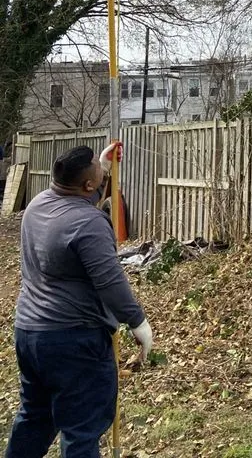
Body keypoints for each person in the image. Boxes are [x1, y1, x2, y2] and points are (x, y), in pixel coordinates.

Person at [5, 143, 153, 458]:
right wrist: (137, 321)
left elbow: (82, 202)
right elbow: (110, 280)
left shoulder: (38, 205)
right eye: (98, 175)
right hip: (74, 342)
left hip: (30, 335)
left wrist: (104, 167)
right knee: (81, 432)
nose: (102, 176)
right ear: (87, 184)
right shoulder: (88, 223)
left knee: (34, 418)